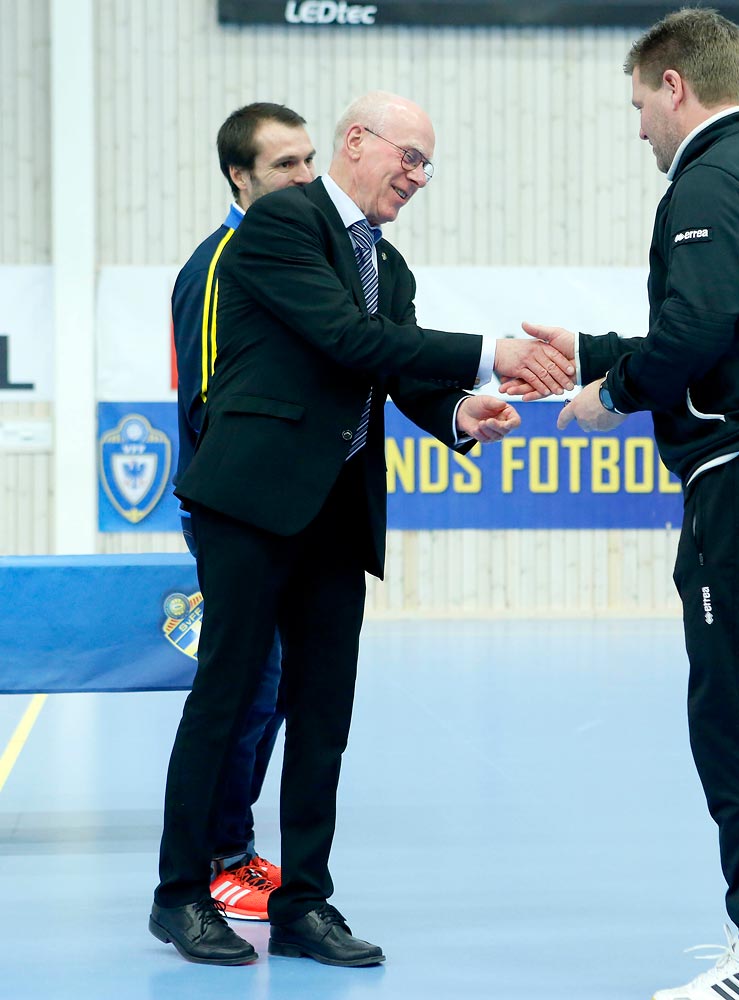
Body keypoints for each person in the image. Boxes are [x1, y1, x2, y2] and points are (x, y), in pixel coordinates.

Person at [149, 90, 575, 967]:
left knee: (323, 715)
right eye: (409, 158)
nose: (418, 178)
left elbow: (399, 371)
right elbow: (346, 338)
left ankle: (306, 904)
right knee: (225, 701)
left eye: (427, 166)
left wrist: (464, 410)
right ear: (357, 141)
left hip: (338, 515)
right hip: (251, 504)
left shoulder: (395, 267)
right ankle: (180, 895)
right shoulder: (280, 224)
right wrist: (491, 351)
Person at [507, 8, 739, 998]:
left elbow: (698, 328)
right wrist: (591, 350)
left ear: (674, 86)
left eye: (638, 105)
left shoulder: (708, 178)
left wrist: (607, 395)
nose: (638, 131)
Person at [170, 102, 318, 920]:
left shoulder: (290, 250)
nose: (304, 178)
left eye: (308, 161)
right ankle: (218, 858)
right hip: (234, 511)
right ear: (240, 175)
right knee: (247, 689)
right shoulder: (222, 262)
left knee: (277, 686)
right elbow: (207, 398)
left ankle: (233, 844)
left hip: (284, 514)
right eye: (285, 166)